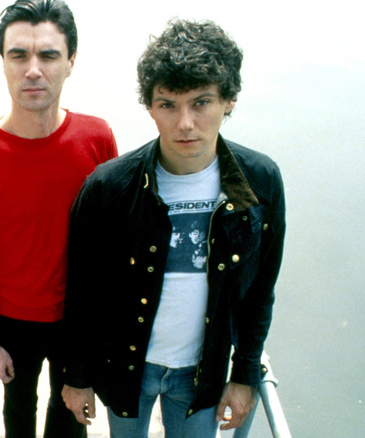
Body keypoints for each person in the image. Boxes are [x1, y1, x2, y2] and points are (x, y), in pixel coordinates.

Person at [62, 19, 286, 438]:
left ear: (229, 101)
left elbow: (260, 292)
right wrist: (78, 376)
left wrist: (246, 375)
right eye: (168, 104)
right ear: (149, 105)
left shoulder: (261, 182)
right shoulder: (108, 188)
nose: (185, 123)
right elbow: (81, 292)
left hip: (204, 371)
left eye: (201, 103)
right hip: (127, 366)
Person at [0, 1, 118, 436]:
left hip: (77, 318)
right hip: (11, 321)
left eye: (48, 55)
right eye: (18, 55)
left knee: (70, 422)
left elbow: (112, 243)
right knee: (18, 414)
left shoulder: (96, 139)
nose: (33, 70)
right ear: (3, 63)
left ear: (71, 62)